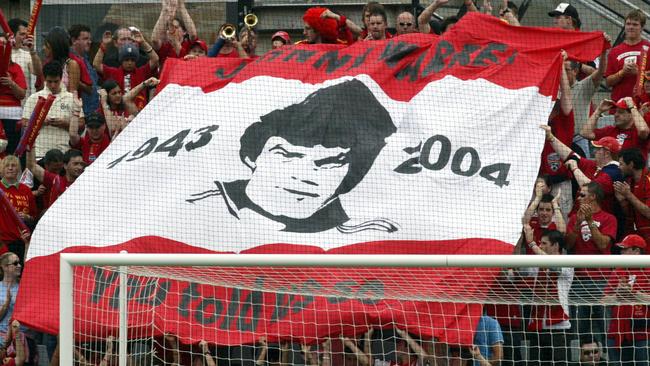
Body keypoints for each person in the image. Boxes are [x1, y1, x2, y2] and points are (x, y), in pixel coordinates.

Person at [187, 79, 397, 234]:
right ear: (252, 157)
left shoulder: (367, 229)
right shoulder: (196, 206)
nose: (304, 175)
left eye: (330, 163)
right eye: (288, 154)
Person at [566, 182, 617, 350]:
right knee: (578, 329)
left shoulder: (609, 218)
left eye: (582, 195)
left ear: (593, 197)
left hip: (602, 280)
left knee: (605, 327)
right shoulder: (575, 217)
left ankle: (609, 359)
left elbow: (603, 244)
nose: (578, 198)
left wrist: (589, 221)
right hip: (579, 280)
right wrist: (577, 224)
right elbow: (568, 245)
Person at [523, 228, 573, 366]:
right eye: (540, 243)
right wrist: (520, 240)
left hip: (558, 326)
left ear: (555, 245)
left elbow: (553, 266)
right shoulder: (536, 264)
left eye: (544, 243)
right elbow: (519, 270)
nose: (540, 246)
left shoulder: (567, 262)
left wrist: (531, 244)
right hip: (537, 325)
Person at [603, 234, 650, 366]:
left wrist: (633, 293)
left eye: (625, 249)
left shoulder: (648, 271)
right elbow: (603, 301)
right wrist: (618, 295)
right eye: (621, 249)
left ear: (637, 251)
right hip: (616, 332)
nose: (621, 252)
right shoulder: (618, 271)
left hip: (643, 333)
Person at [21, 61, 83, 160]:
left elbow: (81, 123)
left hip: (64, 153)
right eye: (49, 81)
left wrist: (65, 123)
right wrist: (41, 121)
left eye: (56, 81)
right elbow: (24, 123)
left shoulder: (71, 98)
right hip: (39, 153)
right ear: (44, 79)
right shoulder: (34, 98)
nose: (53, 85)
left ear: (61, 78)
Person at [94, 28, 158, 110]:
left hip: (140, 114)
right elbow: (96, 64)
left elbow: (155, 59)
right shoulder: (114, 72)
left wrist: (143, 42)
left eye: (132, 60)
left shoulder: (142, 71)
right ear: (121, 60)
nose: (129, 62)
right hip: (119, 115)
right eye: (126, 60)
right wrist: (103, 45)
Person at [580, 97, 649, 158]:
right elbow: (585, 133)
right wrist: (598, 111)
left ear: (631, 115)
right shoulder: (610, 130)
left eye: (620, 112)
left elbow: (643, 130)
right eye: (616, 112)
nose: (616, 115)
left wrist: (632, 108)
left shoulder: (636, 132)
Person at [606, 10, 650, 102]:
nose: (631, 27)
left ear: (642, 27)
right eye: (628, 24)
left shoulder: (648, 48)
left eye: (635, 24)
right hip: (620, 107)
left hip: (644, 106)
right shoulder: (614, 51)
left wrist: (639, 73)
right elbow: (608, 82)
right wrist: (622, 72)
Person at [0, 155, 36, 259]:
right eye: (7, 166)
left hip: (21, 240)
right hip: (2, 240)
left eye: (13, 165)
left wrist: (27, 217)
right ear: (1, 169)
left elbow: (34, 216)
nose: (10, 168)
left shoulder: (26, 190)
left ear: (19, 169)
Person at [615, 148, 650, 244]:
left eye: (621, 164)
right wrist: (622, 201)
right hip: (634, 233)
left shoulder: (648, 180)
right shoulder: (629, 182)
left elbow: (648, 213)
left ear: (631, 164)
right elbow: (630, 214)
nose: (619, 167)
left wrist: (628, 195)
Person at [42, 26, 91, 94]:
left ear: (55, 45)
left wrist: (75, 79)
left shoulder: (72, 63)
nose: (43, 48)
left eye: (46, 45)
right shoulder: (47, 62)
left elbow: (89, 89)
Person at [0, 32, 27, 157]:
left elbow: (22, 94)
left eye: (5, 44)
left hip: (12, 116)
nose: (3, 47)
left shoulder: (16, 68)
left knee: (11, 153)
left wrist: (12, 83)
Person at [8, 18, 43, 102]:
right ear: (12, 34)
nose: (25, 37)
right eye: (22, 34)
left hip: (23, 107)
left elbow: (38, 72)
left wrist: (32, 50)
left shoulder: (26, 55)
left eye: (26, 34)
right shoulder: (3, 54)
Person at [69, 24, 100, 116]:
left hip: (93, 112)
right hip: (80, 114)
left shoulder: (86, 59)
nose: (89, 42)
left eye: (89, 39)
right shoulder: (70, 60)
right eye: (85, 39)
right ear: (74, 40)